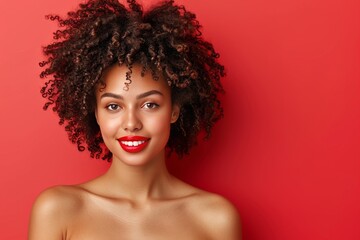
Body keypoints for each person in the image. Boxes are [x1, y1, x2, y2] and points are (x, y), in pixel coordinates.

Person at [29, 0, 242, 239]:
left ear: (174, 110)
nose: (131, 123)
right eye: (113, 106)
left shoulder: (215, 218)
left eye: (149, 105)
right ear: (96, 113)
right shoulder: (58, 210)